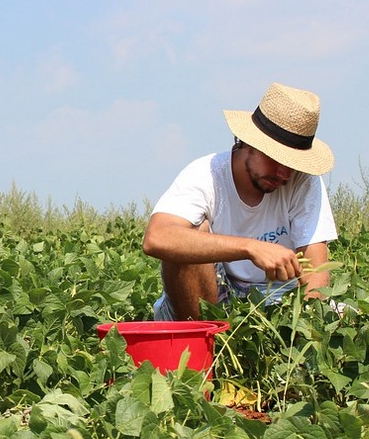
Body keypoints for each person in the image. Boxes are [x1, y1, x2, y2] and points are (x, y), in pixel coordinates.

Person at [143, 82, 338, 321]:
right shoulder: (206, 174)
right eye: (276, 160)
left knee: (351, 321)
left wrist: (305, 328)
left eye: (293, 164)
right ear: (248, 143)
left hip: (279, 300)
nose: (284, 174)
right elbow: (157, 238)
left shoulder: (304, 182)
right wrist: (250, 247)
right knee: (190, 235)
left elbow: (315, 272)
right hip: (212, 294)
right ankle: (203, 340)